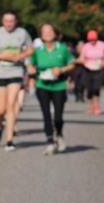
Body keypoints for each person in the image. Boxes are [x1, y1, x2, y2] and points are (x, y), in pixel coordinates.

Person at [0, 11, 32, 151]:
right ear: (2, 21)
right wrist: (1, 56)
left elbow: (30, 49)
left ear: (15, 21)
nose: (9, 23)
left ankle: (9, 140)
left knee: (11, 105)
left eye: (11, 21)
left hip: (16, 71)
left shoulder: (22, 33)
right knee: (1, 109)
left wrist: (21, 56)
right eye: (6, 21)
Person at [28, 24, 74, 155]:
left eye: (50, 31)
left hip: (59, 85)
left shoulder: (62, 48)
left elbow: (71, 64)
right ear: (41, 35)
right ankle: (49, 142)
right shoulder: (37, 50)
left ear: (55, 33)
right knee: (46, 115)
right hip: (42, 85)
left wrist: (61, 69)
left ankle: (59, 134)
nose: (47, 33)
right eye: (44, 32)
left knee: (58, 117)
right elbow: (31, 64)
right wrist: (31, 69)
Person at [78, 29, 104, 115]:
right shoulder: (86, 46)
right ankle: (91, 105)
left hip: (99, 68)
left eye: (93, 39)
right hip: (88, 69)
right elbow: (82, 57)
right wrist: (83, 62)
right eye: (90, 39)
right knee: (89, 89)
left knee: (96, 88)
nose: (92, 41)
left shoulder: (102, 45)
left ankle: (97, 105)